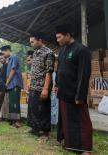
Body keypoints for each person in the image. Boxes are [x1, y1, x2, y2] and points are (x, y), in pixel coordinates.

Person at [55, 24, 93, 154]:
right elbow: (59, 69)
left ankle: (85, 149)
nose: (57, 40)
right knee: (66, 120)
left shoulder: (81, 50)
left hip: (75, 94)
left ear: (68, 35)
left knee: (81, 121)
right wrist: (56, 85)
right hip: (63, 92)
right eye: (56, 38)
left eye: (59, 37)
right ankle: (69, 143)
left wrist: (80, 95)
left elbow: (84, 74)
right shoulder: (62, 51)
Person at [27, 33, 54, 140]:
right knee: (33, 108)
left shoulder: (48, 53)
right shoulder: (35, 53)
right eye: (30, 42)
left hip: (42, 87)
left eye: (32, 42)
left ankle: (44, 133)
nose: (31, 44)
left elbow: (49, 72)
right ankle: (34, 128)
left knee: (43, 109)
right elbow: (33, 69)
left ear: (40, 40)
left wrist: (46, 89)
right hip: (33, 85)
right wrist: (29, 82)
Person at [1, 45, 23, 128]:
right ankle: (13, 121)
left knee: (14, 103)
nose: (3, 55)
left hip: (15, 83)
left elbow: (13, 70)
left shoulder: (14, 57)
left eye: (3, 53)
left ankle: (17, 122)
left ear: (8, 50)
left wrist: (7, 82)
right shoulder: (9, 60)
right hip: (11, 84)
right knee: (12, 102)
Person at [0, 52, 9, 121]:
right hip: (1, 88)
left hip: (7, 87)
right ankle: (2, 117)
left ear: (5, 58)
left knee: (7, 103)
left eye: (2, 58)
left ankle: (7, 117)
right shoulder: (1, 68)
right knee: (2, 103)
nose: (1, 60)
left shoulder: (8, 66)